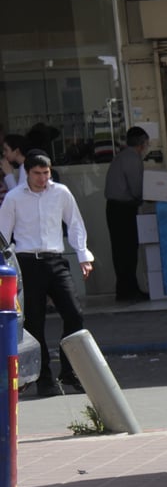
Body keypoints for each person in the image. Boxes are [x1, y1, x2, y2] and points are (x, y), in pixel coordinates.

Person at [0, 151, 94, 397]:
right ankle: (43, 378)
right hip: (27, 262)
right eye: (37, 174)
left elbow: (74, 223)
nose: (42, 178)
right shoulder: (14, 198)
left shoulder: (60, 193)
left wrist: (83, 255)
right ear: (27, 173)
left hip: (55, 260)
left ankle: (70, 371)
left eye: (46, 173)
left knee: (74, 314)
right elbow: (3, 234)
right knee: (35, 322)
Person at [104, 126, 150, 302]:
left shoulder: (123, 156)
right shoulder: (132, 158)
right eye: (146, 143)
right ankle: (128, 290)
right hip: (123, 209)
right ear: (142, 143)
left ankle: (126, 289)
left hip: (117, 208)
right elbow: (137, 188)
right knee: (127, 251)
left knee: (122, 250)